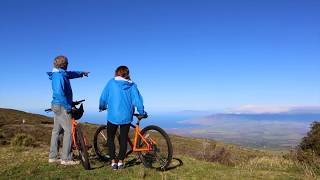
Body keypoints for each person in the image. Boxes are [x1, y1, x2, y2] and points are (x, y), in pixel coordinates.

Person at [99, 66, 146, 170]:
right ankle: (120, 162)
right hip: (126, 116)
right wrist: (141, 111)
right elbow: (137, 100)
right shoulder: (132, 85)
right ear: (127, 73)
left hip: (113, 115)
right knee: (124, 139)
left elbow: (103, 96)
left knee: (110, 138)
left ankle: (113, 162)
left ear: (116, 73)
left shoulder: (111, 82)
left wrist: (102, 106)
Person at [47, 55, 89, 165]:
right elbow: (58, 93)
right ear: (64, 64)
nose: (68, 65)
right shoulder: (58, 76)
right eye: (67, 63)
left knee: (57, 131)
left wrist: (81, 73)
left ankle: (53, 156)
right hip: (62, 106)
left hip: (57, 105)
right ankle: (66, 158)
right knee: (69, 131)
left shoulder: (61, 74)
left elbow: (70, 74)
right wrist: (68, 106)